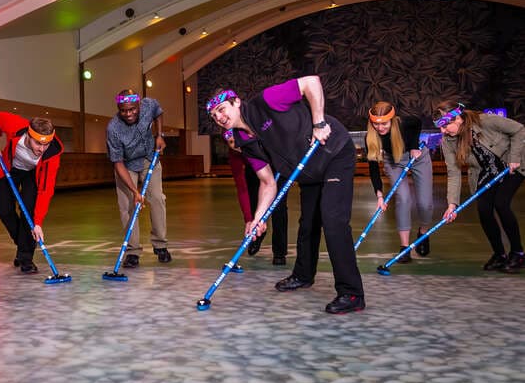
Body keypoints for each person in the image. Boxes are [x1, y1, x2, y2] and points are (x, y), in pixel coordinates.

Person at [207, 76, 365, 314]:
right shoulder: (243, 141)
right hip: (308, 171)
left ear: (236, 102)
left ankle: (351, 293)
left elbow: (311, 82)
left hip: (333, 152)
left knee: (333, 220)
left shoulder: (266, 101)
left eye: (221, 109)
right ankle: (303, 275)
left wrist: (319, 122)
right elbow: (267, 182)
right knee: (308, 224)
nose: (219, 117)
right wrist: (258, 218)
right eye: (214, 116)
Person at [434, 101, 524, 272]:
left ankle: (518, 253)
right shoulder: (448, 141)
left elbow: (519, 129)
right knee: (484, 209)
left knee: (501, 203)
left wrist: (514, 157)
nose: (442, 131)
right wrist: (452, 204)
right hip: (486, 170)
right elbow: (453, 172)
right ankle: (499, 254)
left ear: (458, 119)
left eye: (445, 126)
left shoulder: (485, 121)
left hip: (511, 165)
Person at [0, 112, 64, 274]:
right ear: (29, 135)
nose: (42, 149)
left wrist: (38, 222)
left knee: (28, 212)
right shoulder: (16, 126)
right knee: (4, 211)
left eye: (46, 144)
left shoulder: (52, 155)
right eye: (38, 143)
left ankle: (25, 258)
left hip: (32, 174)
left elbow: (46, 190)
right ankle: (23, 247)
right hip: (10, 169)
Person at [106, 89, 171, 268]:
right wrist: (135, 192)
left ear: (139, 105)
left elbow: (159, 112)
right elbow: (117, 162)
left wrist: (160, 135)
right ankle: (132, 251)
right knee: (128, 205)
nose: (128, 114)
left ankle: (160, 245)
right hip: (126, 166)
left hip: (150, 158)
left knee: (157, 198)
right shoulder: (113, 128)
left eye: (132, 109)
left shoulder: (148, 105)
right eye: (123, 110)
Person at [365, 101, 433, 262]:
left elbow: (417, 122)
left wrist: (414, 145)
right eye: (376, 124)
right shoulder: (370, 137)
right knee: (403, 198)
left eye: (384, 123)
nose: (380, 128)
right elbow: (373, 168)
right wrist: (379, 196)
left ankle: (423, 233)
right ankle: (404, 248)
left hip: (418, 157)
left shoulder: (403, 123)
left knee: (425, 203)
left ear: (392, 120)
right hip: (394, 161)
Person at [225, 130, 288, 265]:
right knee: (255, 206)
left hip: (276, 161)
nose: (236, 146)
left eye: (237, 141)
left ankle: (279, 252)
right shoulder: (235, 155)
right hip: (253, 168)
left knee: (279, 207)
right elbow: (242, 188)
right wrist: (248, 219)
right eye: (231, 143)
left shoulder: (259, 133)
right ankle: (257, 235)